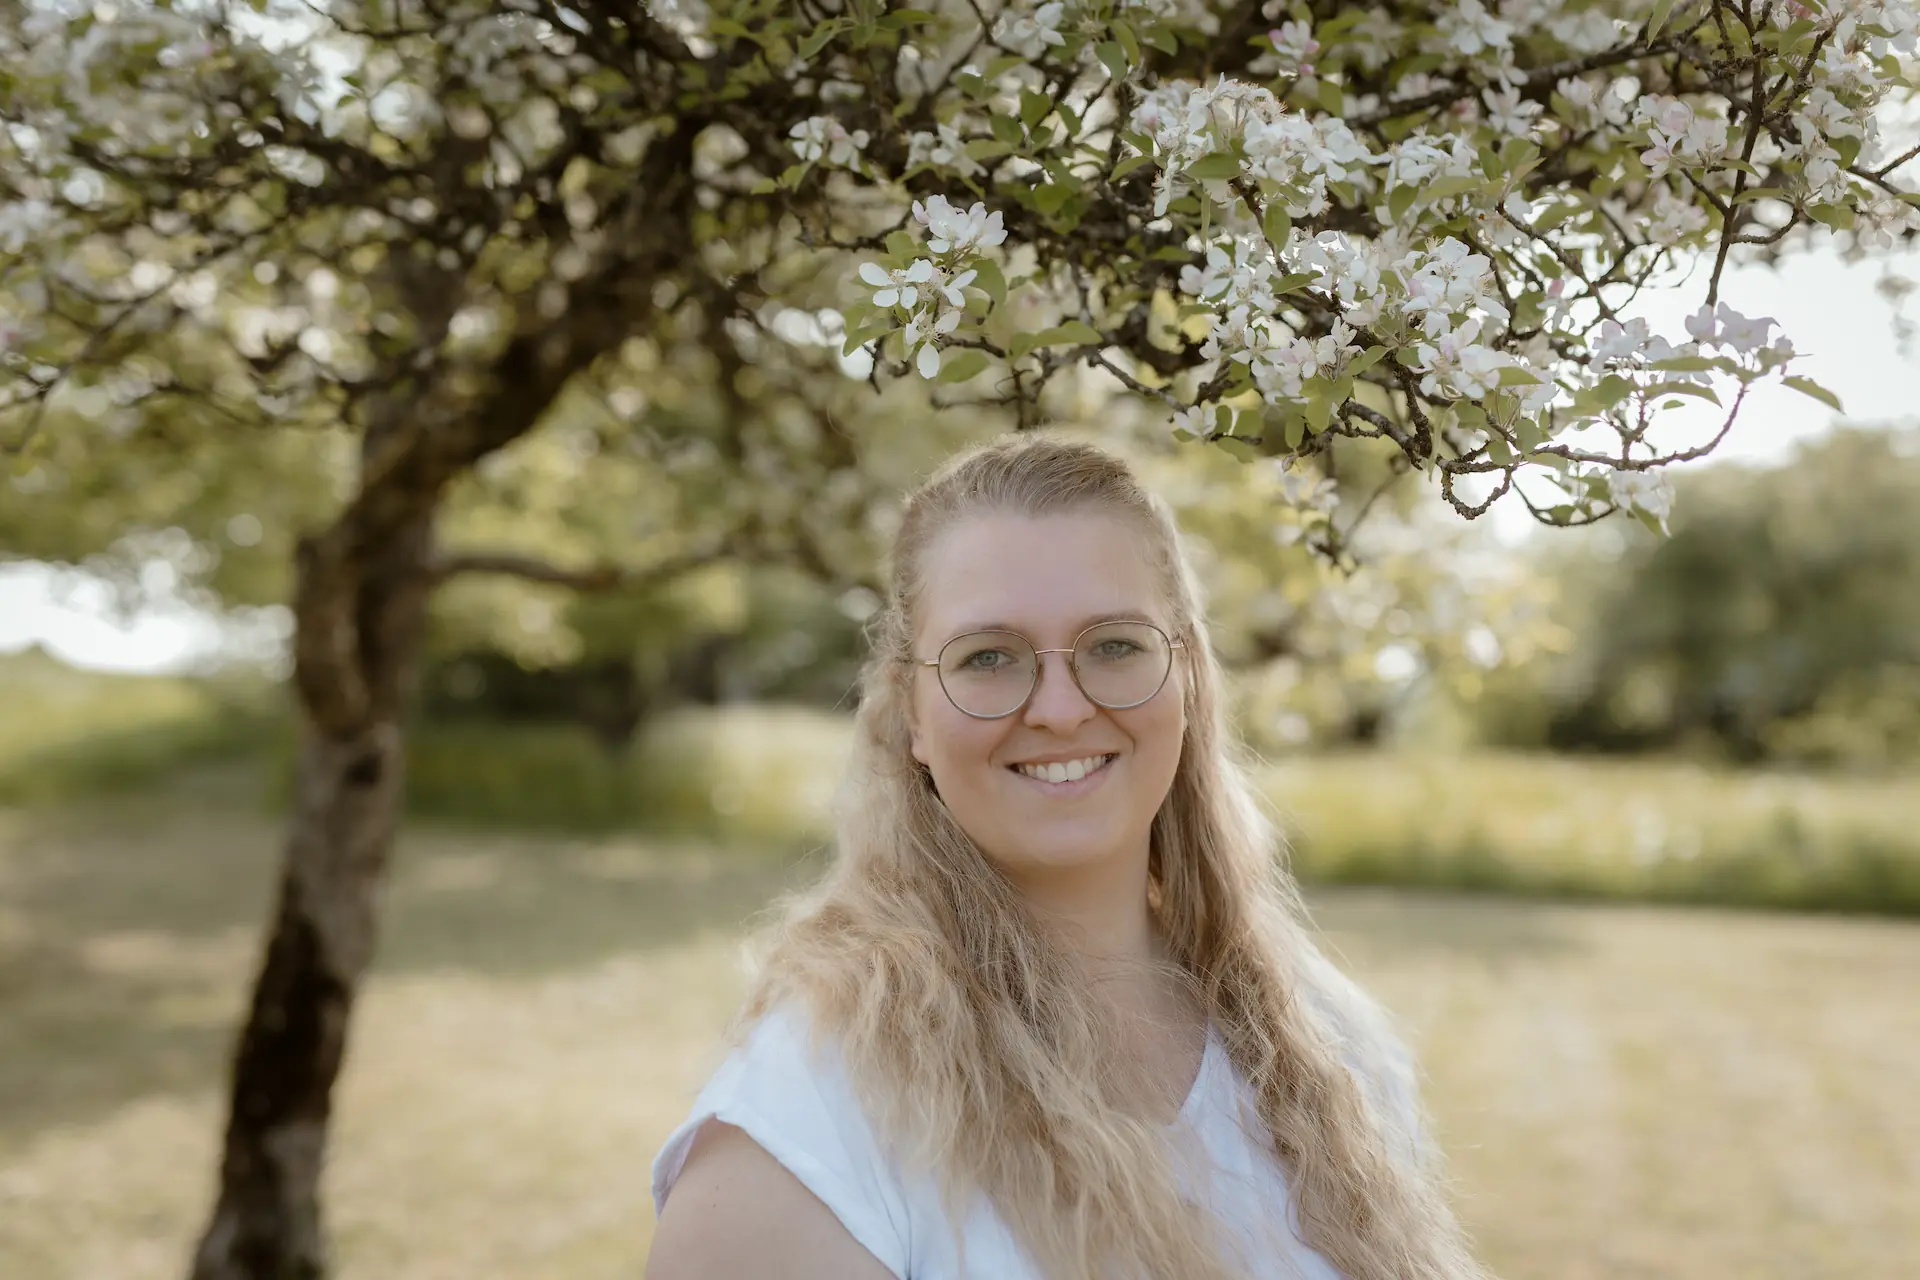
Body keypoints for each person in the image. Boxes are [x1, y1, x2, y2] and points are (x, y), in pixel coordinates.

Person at [646, 434, 1488, 1280]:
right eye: (988, 658)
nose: (1059, 707)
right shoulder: (812, 1122)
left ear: (1187, 675)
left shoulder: (1329, 1049)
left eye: (1114, 646)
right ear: (911, 714)